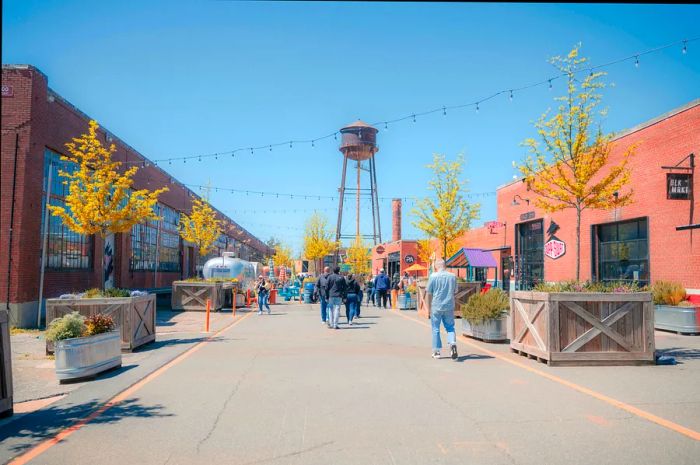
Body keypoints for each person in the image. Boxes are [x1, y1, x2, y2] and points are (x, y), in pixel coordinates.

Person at [426, 259, 458, 359]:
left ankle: (436, 352)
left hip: (437, 305)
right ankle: (452, 343)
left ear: (436, 266)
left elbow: (429, 291)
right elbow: (455, 290)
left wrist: (429, 307)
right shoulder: (452, 276)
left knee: (435, 328)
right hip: (449, 305)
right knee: (450, 327)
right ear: (445, 266)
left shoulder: (433, 276)